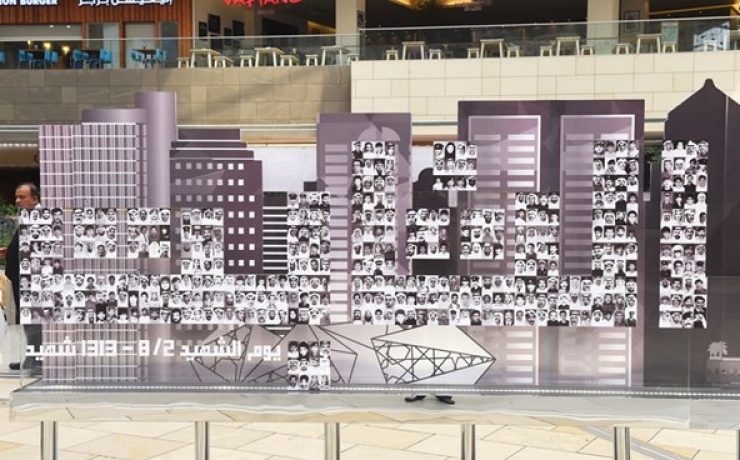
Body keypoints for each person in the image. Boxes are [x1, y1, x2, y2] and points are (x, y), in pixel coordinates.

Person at [7, 183, 42, 375]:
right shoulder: (27, 216)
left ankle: (37, 360)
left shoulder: (41, 218)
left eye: (22, 197)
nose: (18, 201)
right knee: (27, 320)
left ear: (34, 198)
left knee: (34, 320)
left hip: (32, 279)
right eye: (16, 197)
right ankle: (31, 357)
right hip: (20, 277)